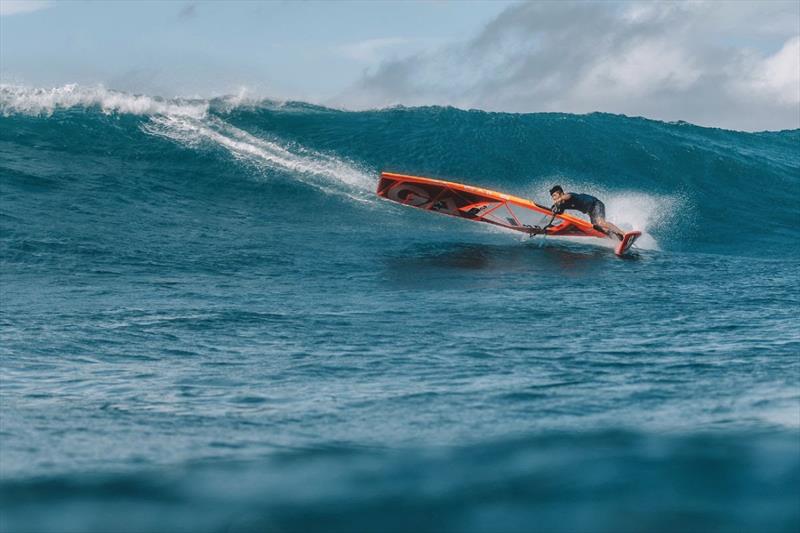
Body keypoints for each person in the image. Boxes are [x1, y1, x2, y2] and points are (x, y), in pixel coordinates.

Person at [549, 185, 624, 241]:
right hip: (590, 211)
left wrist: (559, 200)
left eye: (555, 195)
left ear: (561, 193)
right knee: (598, 229)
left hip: (596, 204)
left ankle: (623, 233)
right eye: (552, 196)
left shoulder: (569, 195)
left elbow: (568, 196)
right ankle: (616, 237)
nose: (554, 198)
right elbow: (559, 213)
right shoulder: (562, 205)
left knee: (601, 223)